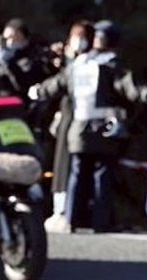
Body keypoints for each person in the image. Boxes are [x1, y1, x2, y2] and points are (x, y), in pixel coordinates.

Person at [32, 21, 147, 233]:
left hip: (79, 129)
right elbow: (129, 86)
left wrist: (39, 91)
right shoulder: (112, 65)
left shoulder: (79, 64)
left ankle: (72, 219)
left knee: (78, 174)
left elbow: (56, 84)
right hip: (106, 129)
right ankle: (100, 222)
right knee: (102, 174)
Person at [41, 20, 92, 234]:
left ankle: (71, 212)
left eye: (82, 37)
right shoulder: (66, 62)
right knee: (60, 165)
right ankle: (59, 209)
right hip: (66, 116)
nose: (77, 41)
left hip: (81, 119)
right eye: (74, 36)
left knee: (73, 167)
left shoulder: (88, 64)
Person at [0, 19, 50, 98]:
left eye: (12, 37)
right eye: (6, 38)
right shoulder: (5, 58)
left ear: (23, 36)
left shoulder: (37, 53)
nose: (9, 42)